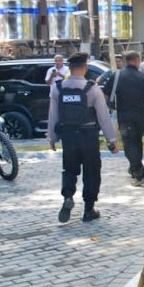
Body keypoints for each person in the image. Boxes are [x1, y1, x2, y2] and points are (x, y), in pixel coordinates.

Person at [47, 53, 119, 223]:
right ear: (85, 68)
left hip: (68, 137)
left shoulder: (58, 87)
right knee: (91, 172)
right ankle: (89, 209)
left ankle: (67, 198)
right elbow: (103, 117)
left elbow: (53, 115)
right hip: (88, 137)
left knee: (69, 170)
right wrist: (112, 140)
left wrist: (52, 138)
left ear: (70, 69)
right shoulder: (92, 88)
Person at [105, 50, 144, 187]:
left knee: (129, 145)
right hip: (140, 116)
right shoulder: (143, 77)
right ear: (137, 61)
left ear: (125, 61)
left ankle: (140, 176)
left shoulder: (117, 76)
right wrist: (143, 103)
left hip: (124, 116)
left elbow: (105, 94)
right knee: (137, 143)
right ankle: (134, 170)